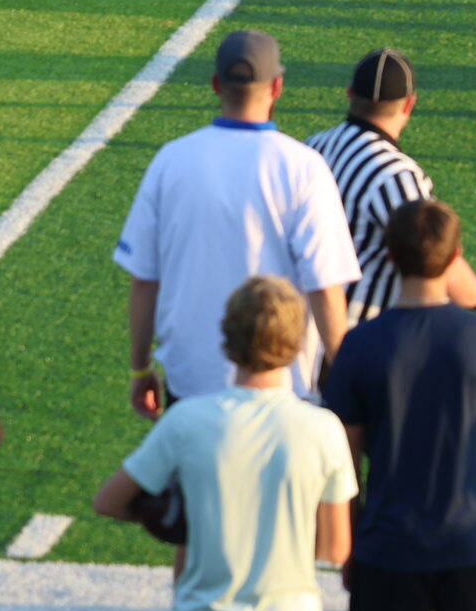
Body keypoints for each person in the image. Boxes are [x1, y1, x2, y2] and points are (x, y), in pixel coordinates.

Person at [94, 276, 355, 611]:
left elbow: (108, 501)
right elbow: (335, 547)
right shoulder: (323, 429)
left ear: (227, 340)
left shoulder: (188, 421)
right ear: (297, 342)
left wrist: (182, 517)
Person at [324, 202, 476, 611]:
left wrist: (352, 537)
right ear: (455, 256)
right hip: (469, 539)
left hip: (389, 542)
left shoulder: (359, 345)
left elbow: (343, 462)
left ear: (389, 257)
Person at [117, 30, 362, 415]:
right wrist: (348, 382)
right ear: (277, 86)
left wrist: (140, 368)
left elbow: (144, 280)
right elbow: (325, 288)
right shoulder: (305, 168)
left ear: (216, 84)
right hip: (282, 387)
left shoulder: (171, 161)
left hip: (191, 384)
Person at [303, 48, 476, 324]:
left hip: (291, 322)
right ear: (409, 104)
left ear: (349, 93)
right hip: (352, 332)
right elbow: (434, 257)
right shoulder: (395, 176)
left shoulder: (311, 147)